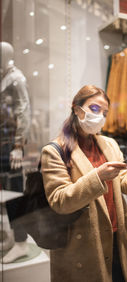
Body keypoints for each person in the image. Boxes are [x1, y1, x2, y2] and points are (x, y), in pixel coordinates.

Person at [41, 85, 127, 282]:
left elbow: (125, 185)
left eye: (104, 112)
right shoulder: (54, 151)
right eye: (94, 109)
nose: (100, 116)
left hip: (117, 240)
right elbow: (60, 201)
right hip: (82, 247)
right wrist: (98, 176)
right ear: (77, 109)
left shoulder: (109, 144)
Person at [0, 42, 31, 263]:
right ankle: (12, 237)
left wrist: (19, 146)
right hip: (4, 144)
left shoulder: (16, 78)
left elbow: (24, 109)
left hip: (11, 145)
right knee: (7, 194)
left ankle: (21, 243)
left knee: (15, 193)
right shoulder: (5, 78)